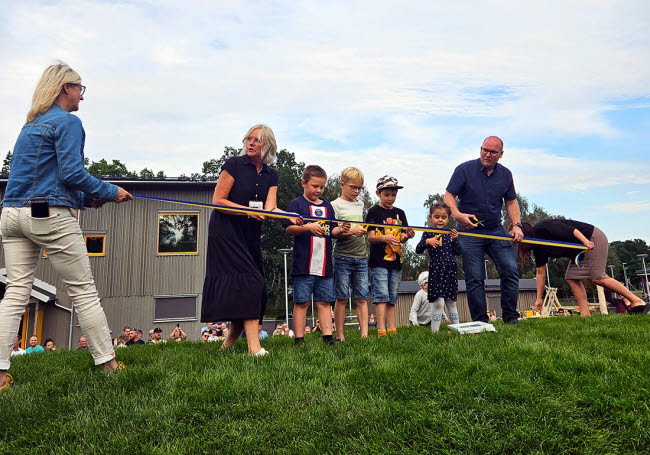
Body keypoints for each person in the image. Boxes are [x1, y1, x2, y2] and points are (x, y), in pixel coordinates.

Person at [0, 62, 133, 389]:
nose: (81, 97)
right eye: (80, 89)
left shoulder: (28, 127)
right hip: (48, 217)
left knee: (16, 291)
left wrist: (87, 200)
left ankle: (0, 374)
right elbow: (72, 174)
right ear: (65, 88)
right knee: (83, 290)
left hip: (11, 214)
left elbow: (54, 178)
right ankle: (108, 363)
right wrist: (109, 191)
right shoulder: (69, 123)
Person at [201, 124, 301, 357]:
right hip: (225, 231)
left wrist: (289, 215)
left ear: (268, 145)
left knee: (255, 289)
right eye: (248, 138)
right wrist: (246, 211)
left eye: (257, 139)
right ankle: (254, 348)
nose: (250, 142)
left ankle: (226, 347)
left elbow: (270, 208)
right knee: (251, 283)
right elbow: (219, 201)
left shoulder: (271, 174)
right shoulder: (233, 165)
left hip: (250, 235)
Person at [444, 136, 523, 324]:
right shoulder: (464, 169)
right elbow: (449, 195)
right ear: (480, 149)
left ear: (501, 155)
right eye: (484, 150)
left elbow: (511, 201)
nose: (487, 154)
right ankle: (480, 322)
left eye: (493, 152)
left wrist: (517, 225)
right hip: (468, 230)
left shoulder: (506, 175)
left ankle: (511, 318)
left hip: (495, 229)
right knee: (475, 277)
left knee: (511, 269)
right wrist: (457, 214)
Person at [516, 219, 648, 317]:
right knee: (571, 277)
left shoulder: (543, 227)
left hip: (591, 238)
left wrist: (586, 242)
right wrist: (539, 299)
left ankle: (637, 301)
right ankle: (585, 314)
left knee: (597, 277)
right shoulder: (537, 247)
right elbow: (540, 273)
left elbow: (572, 231)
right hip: (578, 251)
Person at [283, 165, 349, 345]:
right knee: (302, 302)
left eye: (322, 187)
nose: (319, 190)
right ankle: (299, 339)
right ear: (304, 183)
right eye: (315, 186)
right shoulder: (296, 204)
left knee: (325, 302)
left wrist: (340, 230)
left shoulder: (328, 206)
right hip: (303, 263)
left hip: (325, 264)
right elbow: (289, 228)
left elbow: (332, 231)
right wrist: (307, 227)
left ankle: (328, 337)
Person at [365, 176, 415, 337]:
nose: (390, 198)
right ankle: (381, 329)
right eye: (387, 194)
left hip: (396, 261)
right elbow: (370, 237)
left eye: (393, 195)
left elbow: (401, 238)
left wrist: (407, 236)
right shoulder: (373, 211)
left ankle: (392, 328)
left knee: (392, 295)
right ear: (378, 193)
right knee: (381, 295)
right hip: (379, 261)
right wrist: (384, 238)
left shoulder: (400, 213)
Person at [331, 167, 370, 341]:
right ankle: (340, 335)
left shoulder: (360, 204)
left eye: (359, 188)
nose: (356, 191)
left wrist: (360, 231)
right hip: (342, 256)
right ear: (342, 185)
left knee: (362, 297)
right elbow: (335, 232)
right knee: (342, 298)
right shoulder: (335, 205)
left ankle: (364, 336)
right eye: (353, 187)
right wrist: (351, 231)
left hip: (361, 256)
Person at [415, 202, 462, 332]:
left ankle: (456, 329)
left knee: (451, 302)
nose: (440, 220)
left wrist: (455, 239)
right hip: (437, 272)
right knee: (439, 302)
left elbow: (458, 252)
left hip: (450, 271)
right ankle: (434, 332)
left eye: (443, 217)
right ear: (431, 217)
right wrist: (427, 242)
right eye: (437, 217)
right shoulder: (428, 233)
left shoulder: (450, 233)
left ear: (448, 218)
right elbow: (418, 249)